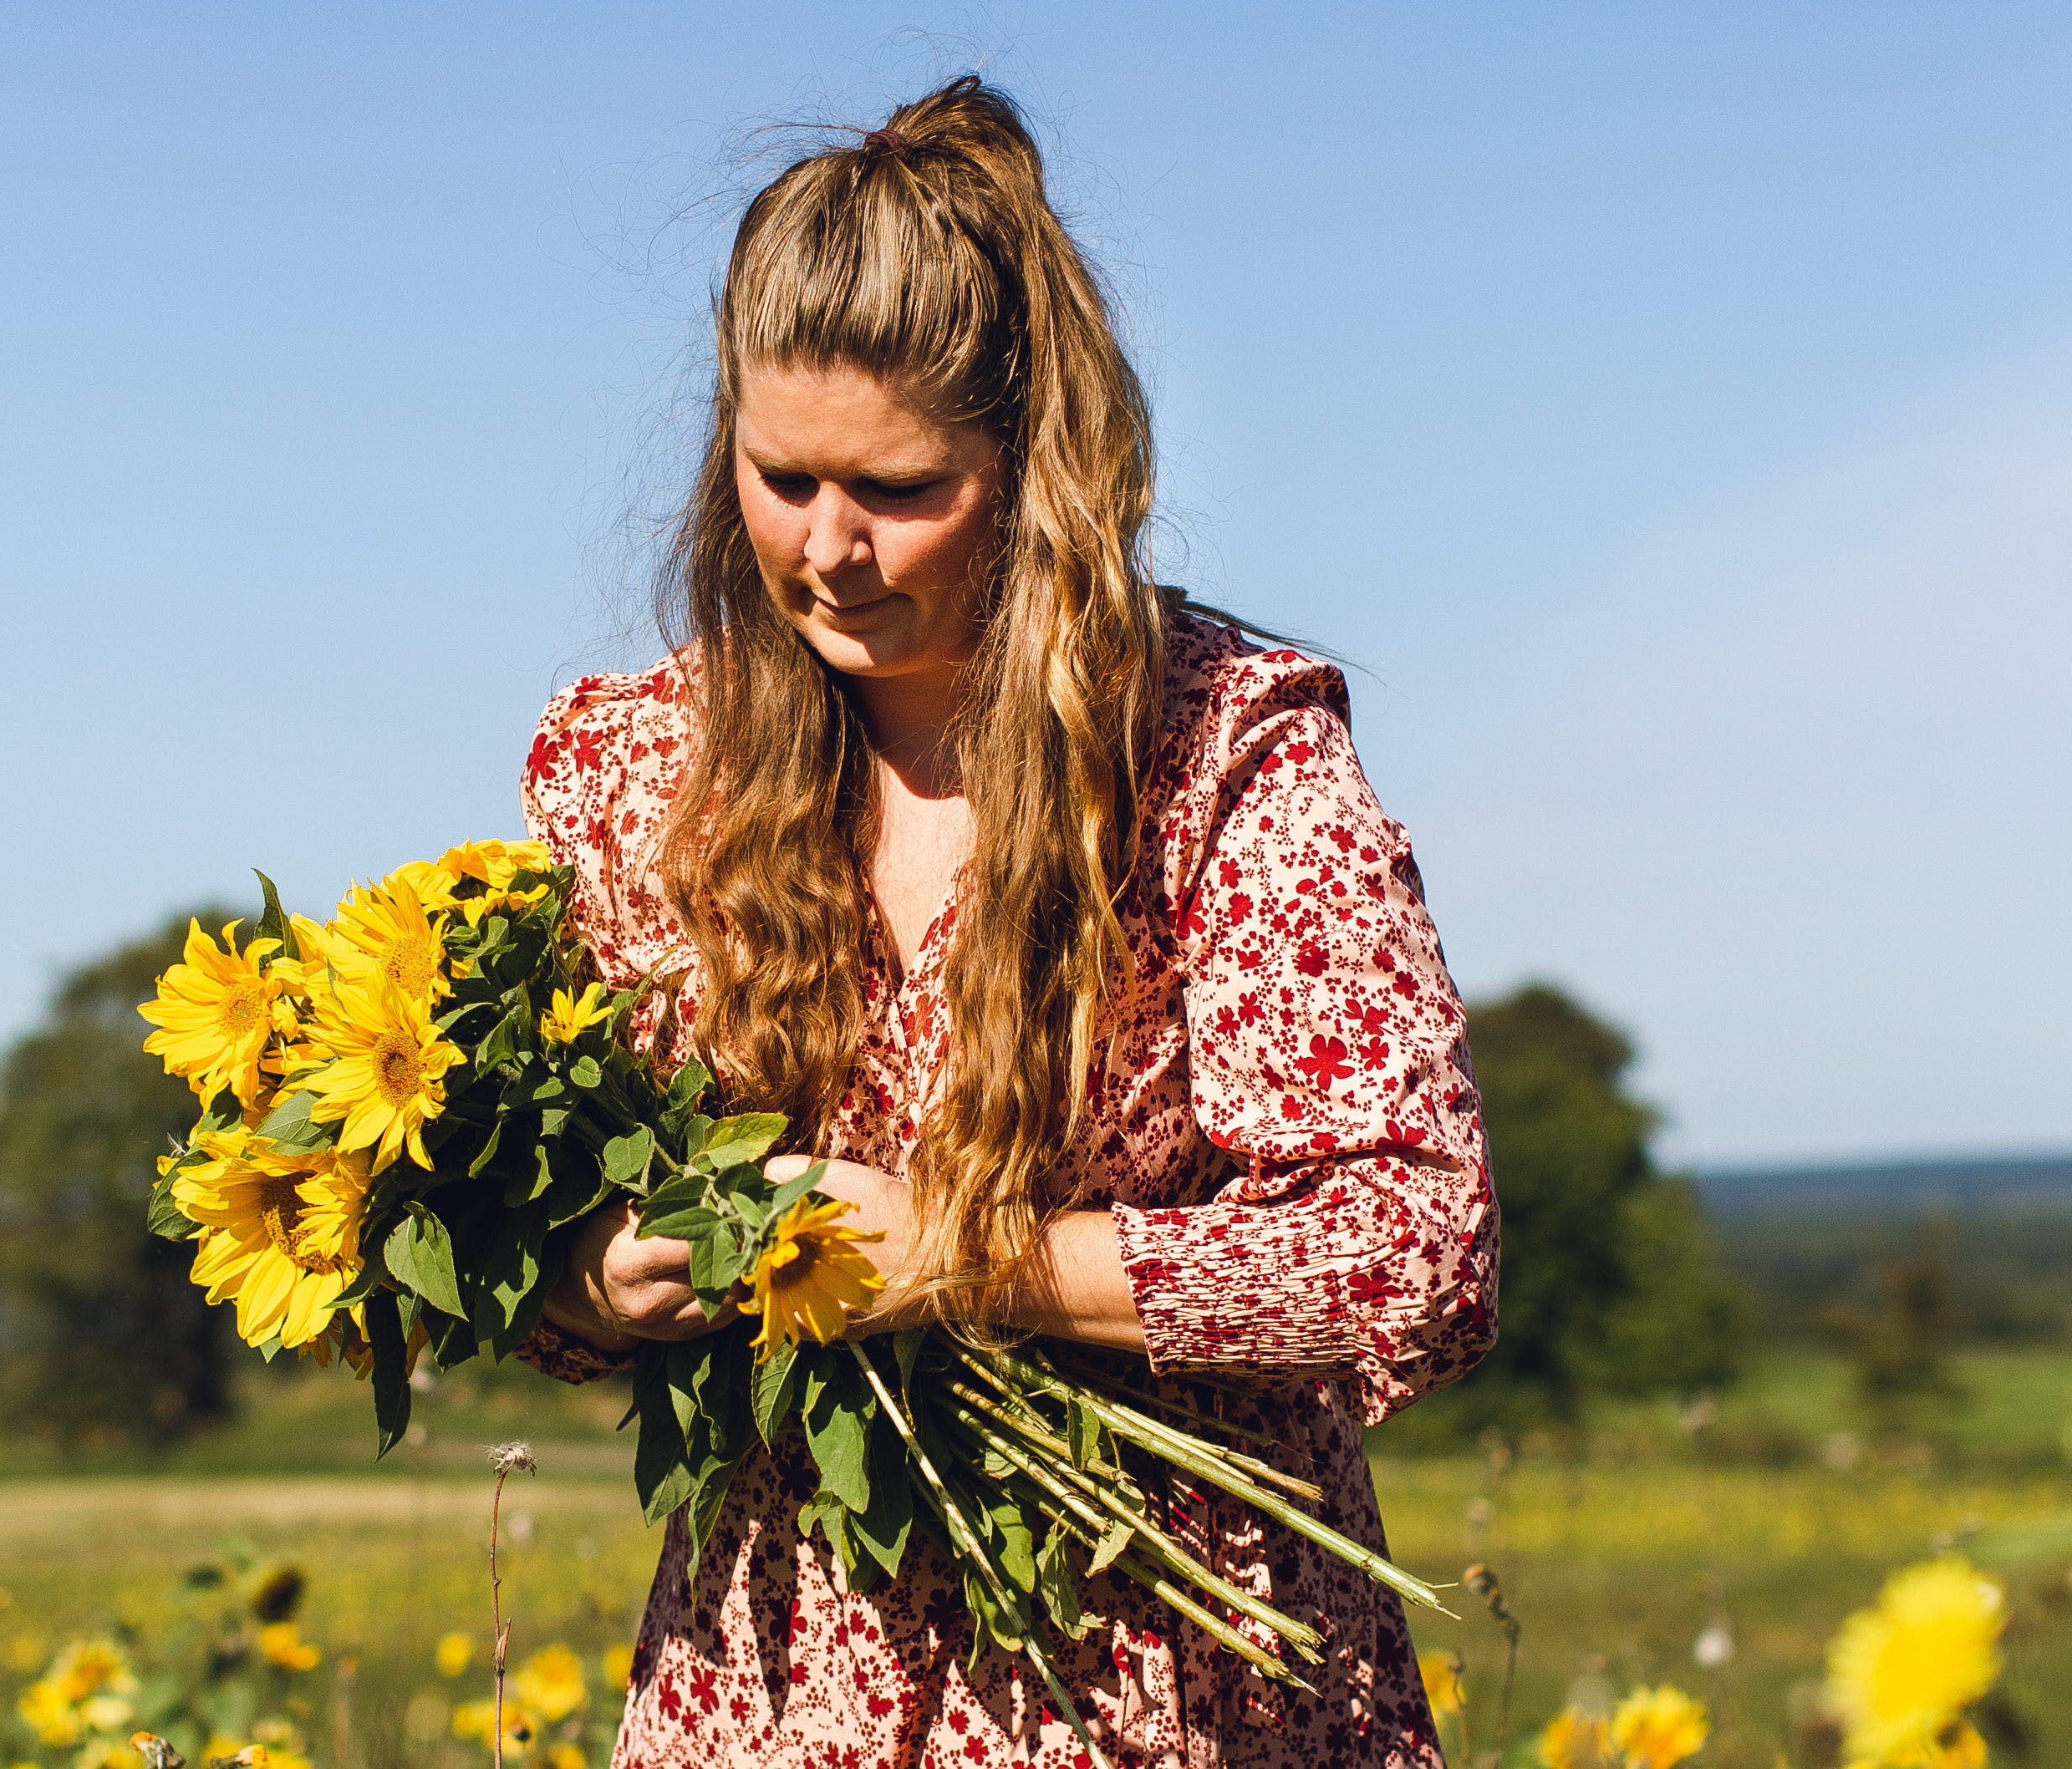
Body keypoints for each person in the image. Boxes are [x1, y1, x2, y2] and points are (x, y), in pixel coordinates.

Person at [516, 77, 1497, 1769]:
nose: (828, 552)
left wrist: (973, 1265)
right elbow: (540, 1220)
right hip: (769, 1685)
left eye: (899, 490)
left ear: (1033, 464)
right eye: (781, 476)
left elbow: (1413, 1259)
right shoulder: (639, 770)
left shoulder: (1214, 752)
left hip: (1179, 1678)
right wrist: (589, 1283)